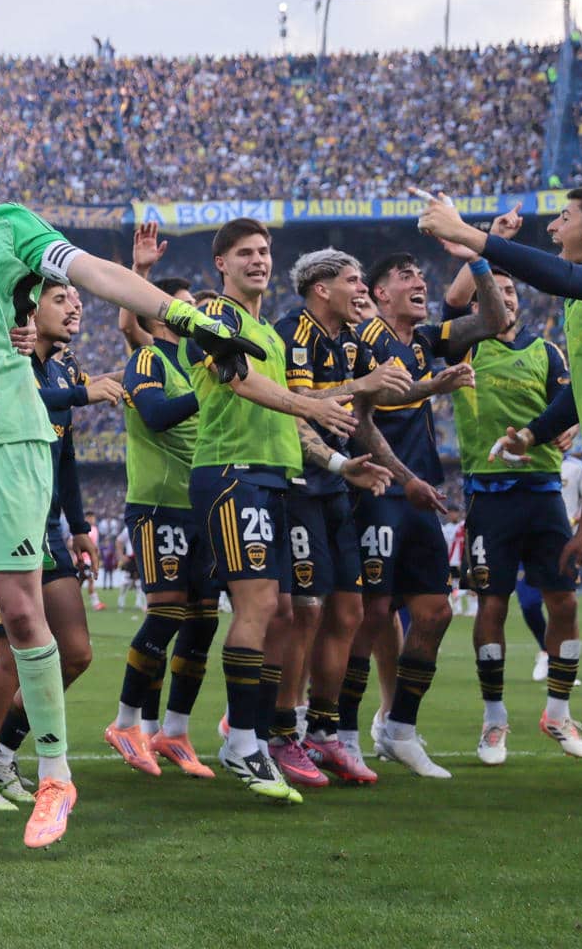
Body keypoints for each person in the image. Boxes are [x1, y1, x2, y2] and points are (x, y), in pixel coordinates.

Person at [0, 119, 257, 848]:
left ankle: (55, 777)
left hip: (10, 440)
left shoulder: (12, 225)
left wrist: (179, 313)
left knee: (22, 616)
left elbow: (92, 275)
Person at [420, 185, 582, 841]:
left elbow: (558, 274)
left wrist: (475, 238)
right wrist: (533, 434)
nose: (555, 225)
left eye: (564, 217)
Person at [183, 219, 389, 802]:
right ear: (220, 263)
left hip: (271, 478)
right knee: (257, 607)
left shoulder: (267, 335)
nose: (258, 260)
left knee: (273, 610)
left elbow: (295, 405)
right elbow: (243, 382)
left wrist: (350, 396)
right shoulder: (213, 317)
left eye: (265, 252)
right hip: (231, 473)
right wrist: (316, 403)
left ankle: (250, 736)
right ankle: (243, 743)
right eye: (244, 253)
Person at [341, 249, 502, 777]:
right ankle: (342, 733)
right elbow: (362, 418)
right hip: (379, 491)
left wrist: (481, 260)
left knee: (434, 611)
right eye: (404, 276)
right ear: (379, 293)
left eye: (419, 274)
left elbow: (494, 320)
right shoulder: (363, 339)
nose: (418, 281)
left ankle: (400, 729)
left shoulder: (427, 340)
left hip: (418, 496)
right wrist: (405, 479)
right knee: (371, 615)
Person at [438, 230, 582, 765]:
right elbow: (453, 303)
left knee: (566, 602)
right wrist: (479, 253)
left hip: (544, 491)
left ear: (520, 301)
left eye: (509, 290)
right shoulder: (465, 343)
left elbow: (566, 407)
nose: (500, 297)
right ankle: (494, 720)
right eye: (492, 290)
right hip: (489, 495)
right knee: (493, 604)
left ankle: (557, 710)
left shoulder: (547, 352)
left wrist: (567, 429)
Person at [272, 250, 414, 787]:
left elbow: (361, 412)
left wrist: (432, 386)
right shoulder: (293, 333)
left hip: (334, 485)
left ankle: (324, 733)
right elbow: (296, 407)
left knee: (350, 611)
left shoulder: (347, 341)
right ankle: (281, 732)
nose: (362, 290)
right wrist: (363, 386)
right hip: (298, 486)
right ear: (321, 288)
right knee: (305, 613)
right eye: (354, 281)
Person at [0, 282, 112, 809]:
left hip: (48, 526)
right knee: (13, 655)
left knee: (73, 653)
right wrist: (83, 393)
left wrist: (79, 527)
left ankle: (5, 754)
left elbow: (66, 453)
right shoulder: (9, 357)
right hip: (1, 517)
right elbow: (19, 402)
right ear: (30, 310)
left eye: (78, 298)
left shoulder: (67, 368)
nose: (75, 306)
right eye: (61, 299)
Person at [105, 276, 218, 779]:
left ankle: (174, 730)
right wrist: (205, 392)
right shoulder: (147, 359)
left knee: (203, 619)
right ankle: (127, 721)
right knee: (168, 610)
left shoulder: (196, 366)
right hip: (158, 505)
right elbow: (154, 415)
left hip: (202, 507)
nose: (194, 316)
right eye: (184, 308)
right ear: (159, 316)